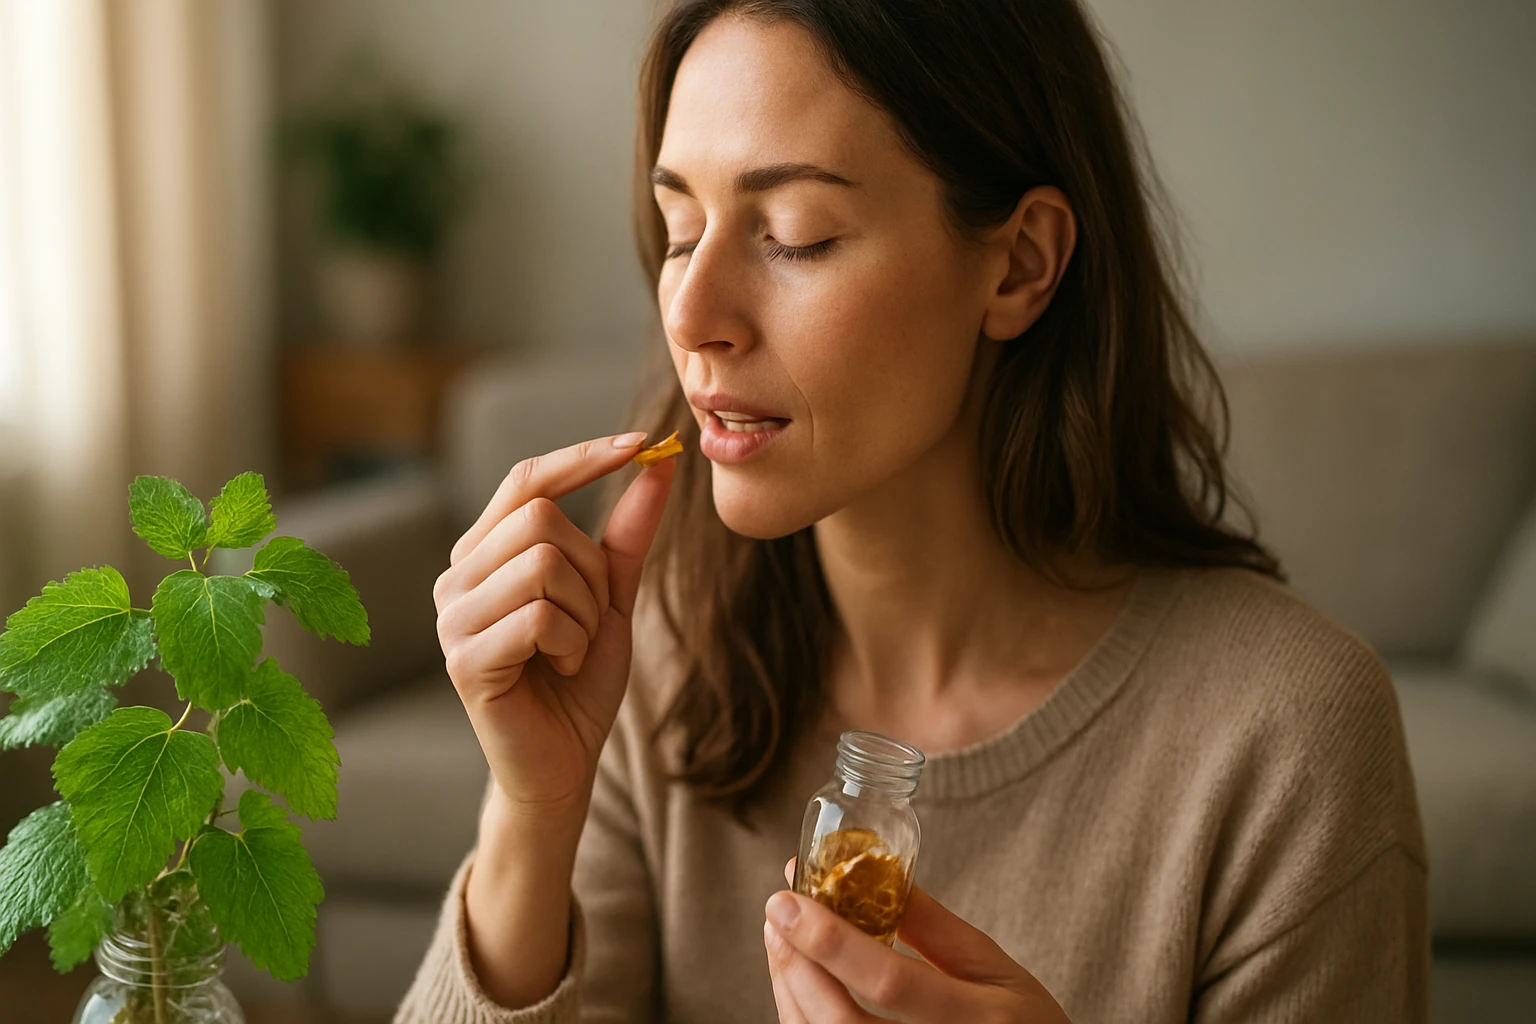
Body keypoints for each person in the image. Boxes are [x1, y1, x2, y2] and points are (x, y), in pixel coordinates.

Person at [399, 1, 1427, 1021]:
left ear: (1020, 263)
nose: (689, 314)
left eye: (794, 235)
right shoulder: (653, 656)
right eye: (679, 231)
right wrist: (532, 815)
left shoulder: (1291, 735)